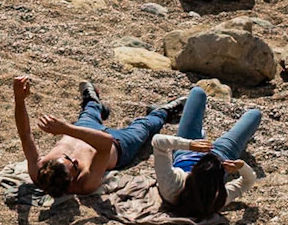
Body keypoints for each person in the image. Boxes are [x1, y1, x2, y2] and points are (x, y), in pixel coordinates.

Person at [11, 75, 188, 199]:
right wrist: (66, 128)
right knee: (146, 126)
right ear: (71, 182)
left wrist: (19, 99)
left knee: (89, 111)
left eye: (64, 158)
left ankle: (93, 100)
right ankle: (164, 111)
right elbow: (105, 142)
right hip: (117, 145)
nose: (72, 158)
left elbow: (25, 135)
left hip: (84, 129)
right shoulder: (85, 184)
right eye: (74, 165)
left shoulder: (38, 170)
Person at [152, 85, 262, 221]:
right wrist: (241, 166)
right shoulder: (216, 197)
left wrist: (190, 145)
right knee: (254, 114)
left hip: (187, 151)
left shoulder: (172, 186)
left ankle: (171, 111)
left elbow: (157, 141)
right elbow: (248, 181)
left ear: (194, 172)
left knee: (198, 92)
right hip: (222, 153)